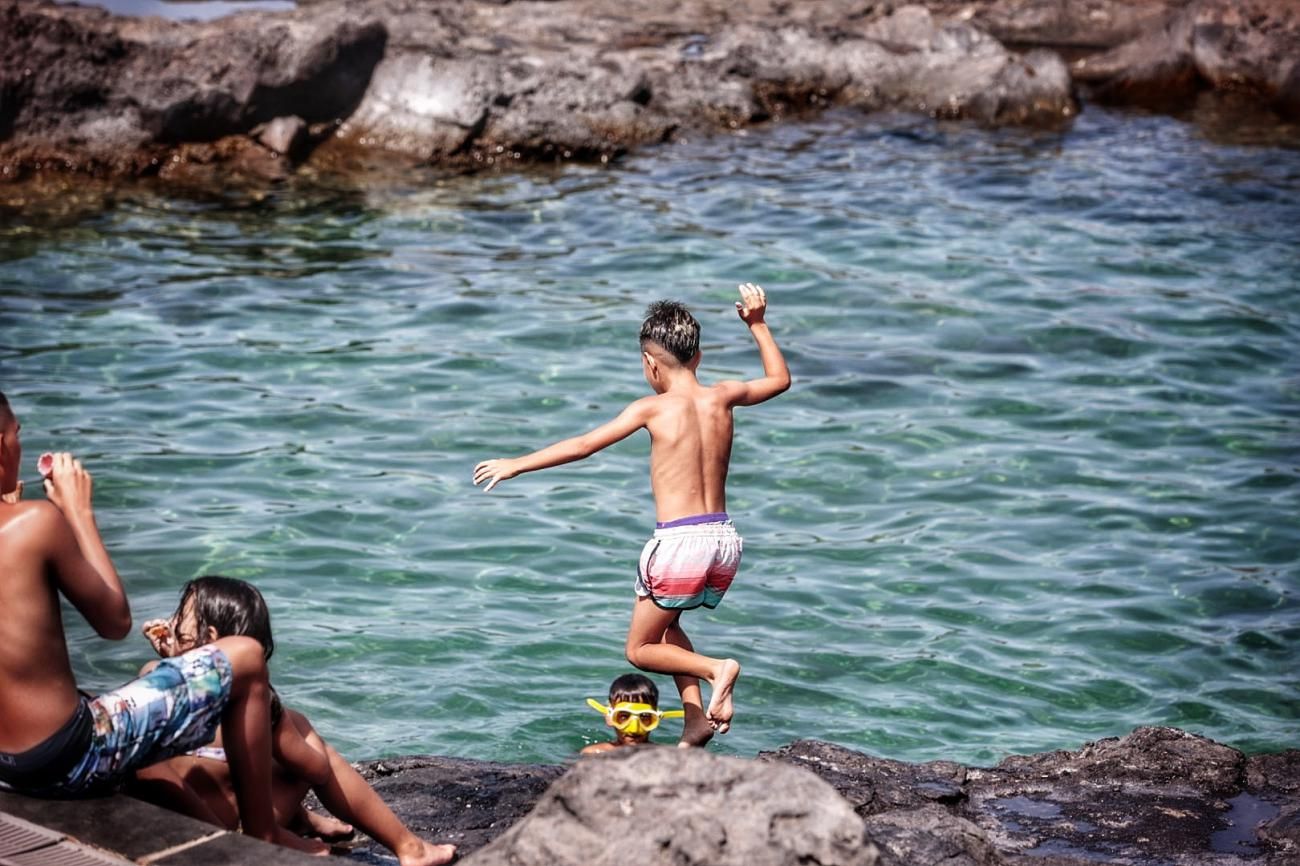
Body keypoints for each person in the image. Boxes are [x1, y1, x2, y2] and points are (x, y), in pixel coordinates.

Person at [0, 392, 317, 855]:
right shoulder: (34, 522)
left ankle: (217, 828)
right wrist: (77, 513)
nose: (20, 446)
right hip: (62, 758)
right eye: (16, 436)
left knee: (118, 708)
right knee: (245, 655)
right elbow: (114, 620)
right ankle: (261, 839)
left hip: (7, 768)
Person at [474, 284, 790, 745]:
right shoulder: (723, 395)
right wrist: (758, 325)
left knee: (639, 650)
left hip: (678, 543)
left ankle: (716, 669)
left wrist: (516, 463)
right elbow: (779, 380)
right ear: (698, 357)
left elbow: (583, 446)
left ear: (650, 363)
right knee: (670, 625)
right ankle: (695, 720)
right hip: (723, 541)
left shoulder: (652, 408)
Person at [136, 576, 457, 866]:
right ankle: (409, 847)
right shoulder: (261, 710)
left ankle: (302, 821)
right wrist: (298, 736)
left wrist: (171, 660)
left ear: (206, 638)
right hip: (226, 825)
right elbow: (316, 770)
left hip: (173, 817)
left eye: (179, 618)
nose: (171, 621)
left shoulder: (152, 675)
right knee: (310, 748)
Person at [581, 673, 682, 755]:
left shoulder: (666, 755)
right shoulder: (592, 754)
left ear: (656, 718)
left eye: (644, 716)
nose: (634, 729)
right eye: (624, 716)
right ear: (609, 717)